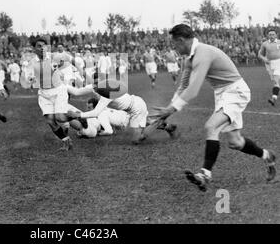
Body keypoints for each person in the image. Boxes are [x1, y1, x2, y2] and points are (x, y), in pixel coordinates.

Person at [154, 24, 276, 191]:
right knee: (235, 142)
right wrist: (168, 109)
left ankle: (205, 175)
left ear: (181, 40)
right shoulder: (189, 59)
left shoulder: (202, 54)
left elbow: (194, 89)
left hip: (235, 90)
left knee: (211, 126)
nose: (173, 47)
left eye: (174, 44)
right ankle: (267, 156)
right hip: (222, 94)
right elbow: (183, 86)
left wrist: (171, 109)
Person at [67, 72, 177, 144]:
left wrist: (78, 115)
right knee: (147, 122)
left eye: (98, 83)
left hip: (136, 108)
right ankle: (168, 127)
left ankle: (160, 121)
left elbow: (96, 113)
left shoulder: (107, 93)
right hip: (132, 107)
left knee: (136, 139)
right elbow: (76, 92)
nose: (95, 86)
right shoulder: (95, 87)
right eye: (95, 83)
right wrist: (60, 85)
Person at [258, 30, 280, 106]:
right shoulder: (265, 44)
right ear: (268, 35)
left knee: (276, 81)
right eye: (270, 34)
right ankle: (275, 94)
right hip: (269, 64)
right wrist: (264, 59)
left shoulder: (279, 42)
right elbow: (260, 54)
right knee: (275, 82)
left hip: (278, 63)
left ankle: (273, 98)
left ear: (276, 35)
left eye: (273, 34)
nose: (271, 36)